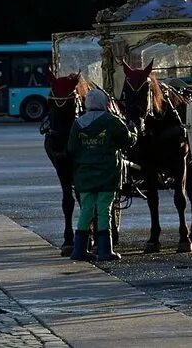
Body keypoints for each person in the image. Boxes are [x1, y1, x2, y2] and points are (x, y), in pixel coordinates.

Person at [67, 87, 136, 262]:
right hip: (107, 174)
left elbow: (71, 148)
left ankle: (79, 250)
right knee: (105, 210)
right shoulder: (111, 121)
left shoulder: (77, 124)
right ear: (104, 103)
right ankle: (105, 250)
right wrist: (133, 131)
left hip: (84, 175)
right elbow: (127, 141)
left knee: (86, 211)